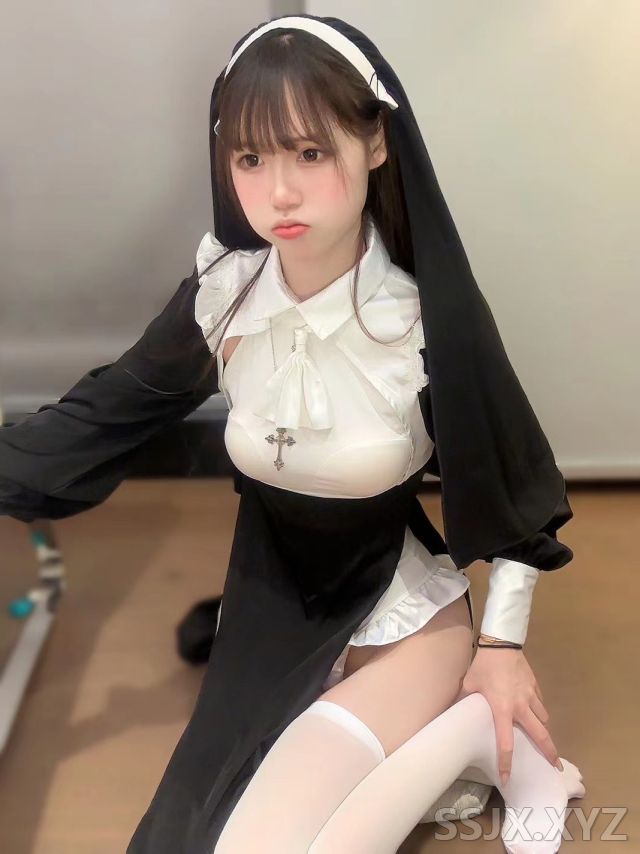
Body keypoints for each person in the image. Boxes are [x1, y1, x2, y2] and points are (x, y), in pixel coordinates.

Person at [0, 14, 585, 853]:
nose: (278, 192)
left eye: (309, 153)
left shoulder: (421, 323)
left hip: (398, 617)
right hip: (269, 615)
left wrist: (501, 647)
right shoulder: (223, 297)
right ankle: (461, 749)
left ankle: (477, 733)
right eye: (250, 158)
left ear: (375, 143)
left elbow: (517, 490)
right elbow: (97, 421)